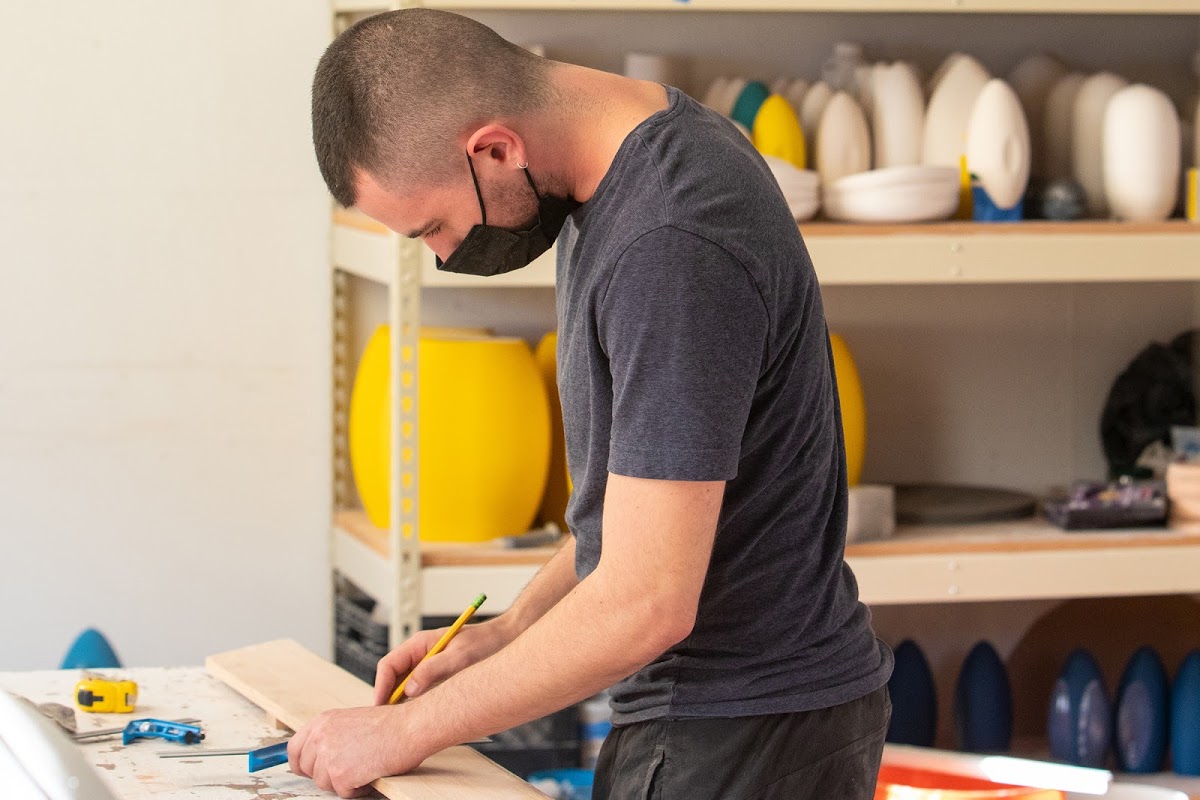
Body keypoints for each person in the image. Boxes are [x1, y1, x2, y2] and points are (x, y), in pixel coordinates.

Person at [293, 9, 893, 799]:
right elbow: (625, 514)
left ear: (497, 149)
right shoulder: (629, 166)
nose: (442, 255)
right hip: (743, 716)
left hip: (741, 734)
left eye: (433, 226)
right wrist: (509, 633)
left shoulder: (670, 240)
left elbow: (647, 600)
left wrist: (403, 732)